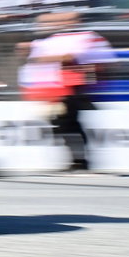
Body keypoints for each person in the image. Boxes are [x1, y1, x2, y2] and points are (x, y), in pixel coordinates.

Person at [18, 11, 114, 172]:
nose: (66, 22)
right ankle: (77, 159)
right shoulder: (55, 39)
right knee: (63, 124)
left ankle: (80, 160)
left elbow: (69, 57)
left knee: (69, 122)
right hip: (59, 88)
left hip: (75, 87)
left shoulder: (85, 36)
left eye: (70, 19)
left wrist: (41, 58)